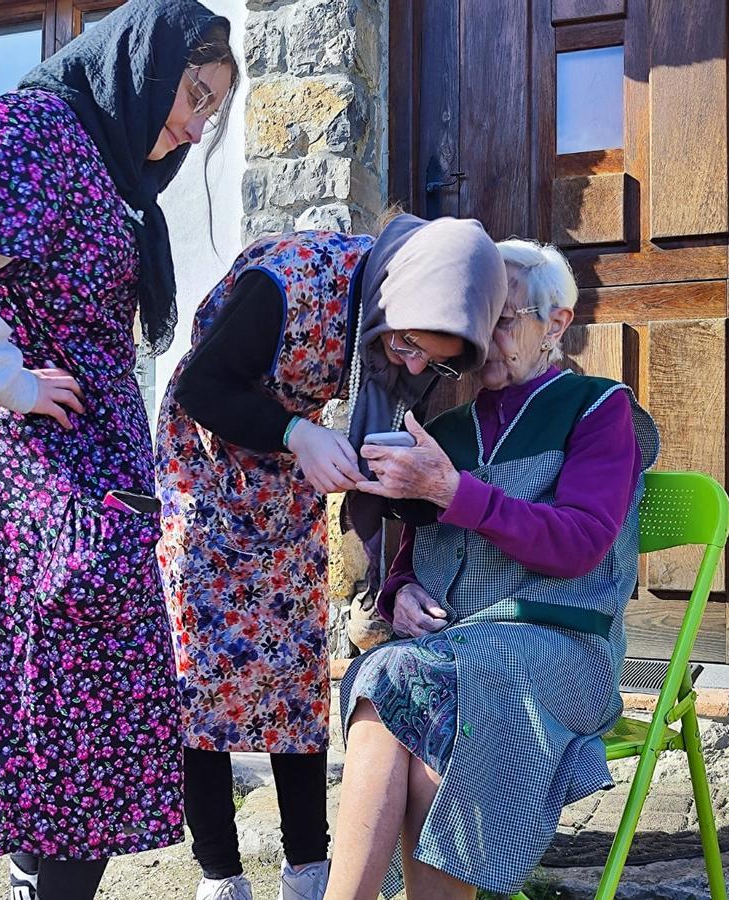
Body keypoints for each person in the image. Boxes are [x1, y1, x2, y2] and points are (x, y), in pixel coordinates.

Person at [0, 4, 238, 899]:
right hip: (41, 477)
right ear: (139, 67)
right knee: (77, 715)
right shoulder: (43, 125)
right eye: (193, 92)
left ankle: (40, 877)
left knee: (71, 716)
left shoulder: (106, 165)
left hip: (76, 477)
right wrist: (7, 379)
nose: (196, 121)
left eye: (214, 110)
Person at [155, 214, 508, 900]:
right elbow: (201, 387)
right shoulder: (287, 283)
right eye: (404, 344)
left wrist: (409, 494)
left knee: (295, 683)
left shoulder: (412, 331)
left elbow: (397, 440)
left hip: (287, 488)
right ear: (395, 297)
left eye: (429, 360)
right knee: (202, 685)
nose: (408, 365)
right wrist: (294, 431)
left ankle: (309, 873)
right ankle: (221, 876)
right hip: (207, 483)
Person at [326, 239, 661, 900]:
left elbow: (581, 543)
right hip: (455, 649)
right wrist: (399, 595)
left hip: (561, 645)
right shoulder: (442, 431)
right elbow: (414, 555)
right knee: (393, 679)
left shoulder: (598, 411)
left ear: (556, 323)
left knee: (416, 684)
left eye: (505, 320)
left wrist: (456, 493)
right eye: (479, 324)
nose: (487, 340)